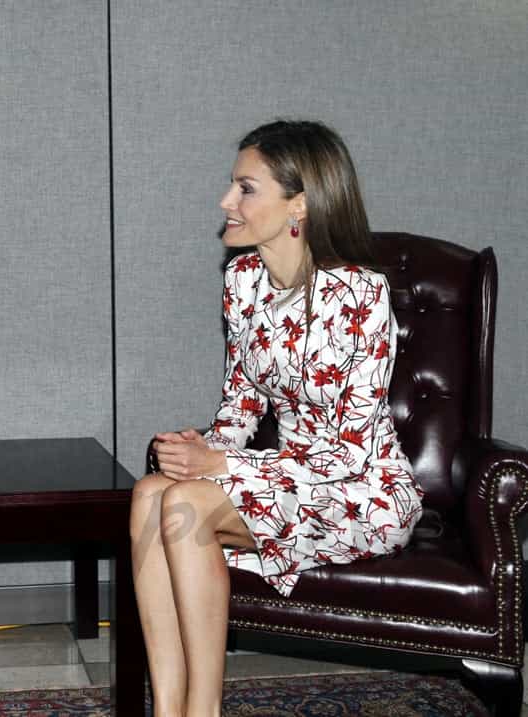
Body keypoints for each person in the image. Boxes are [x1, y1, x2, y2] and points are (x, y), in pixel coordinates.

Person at [130, 120, 424, 717]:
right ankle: (168, 709)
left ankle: (203, 711)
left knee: (185, 505)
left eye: (246, 188)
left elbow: (348, 454)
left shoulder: (359, 295)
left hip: (359, 492)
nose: (226, 202)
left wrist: (223, 464)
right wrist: (202, 447)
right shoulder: (242, 281)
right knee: (149, 493)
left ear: (301, 204)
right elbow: (240, 407)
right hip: (283, 478)